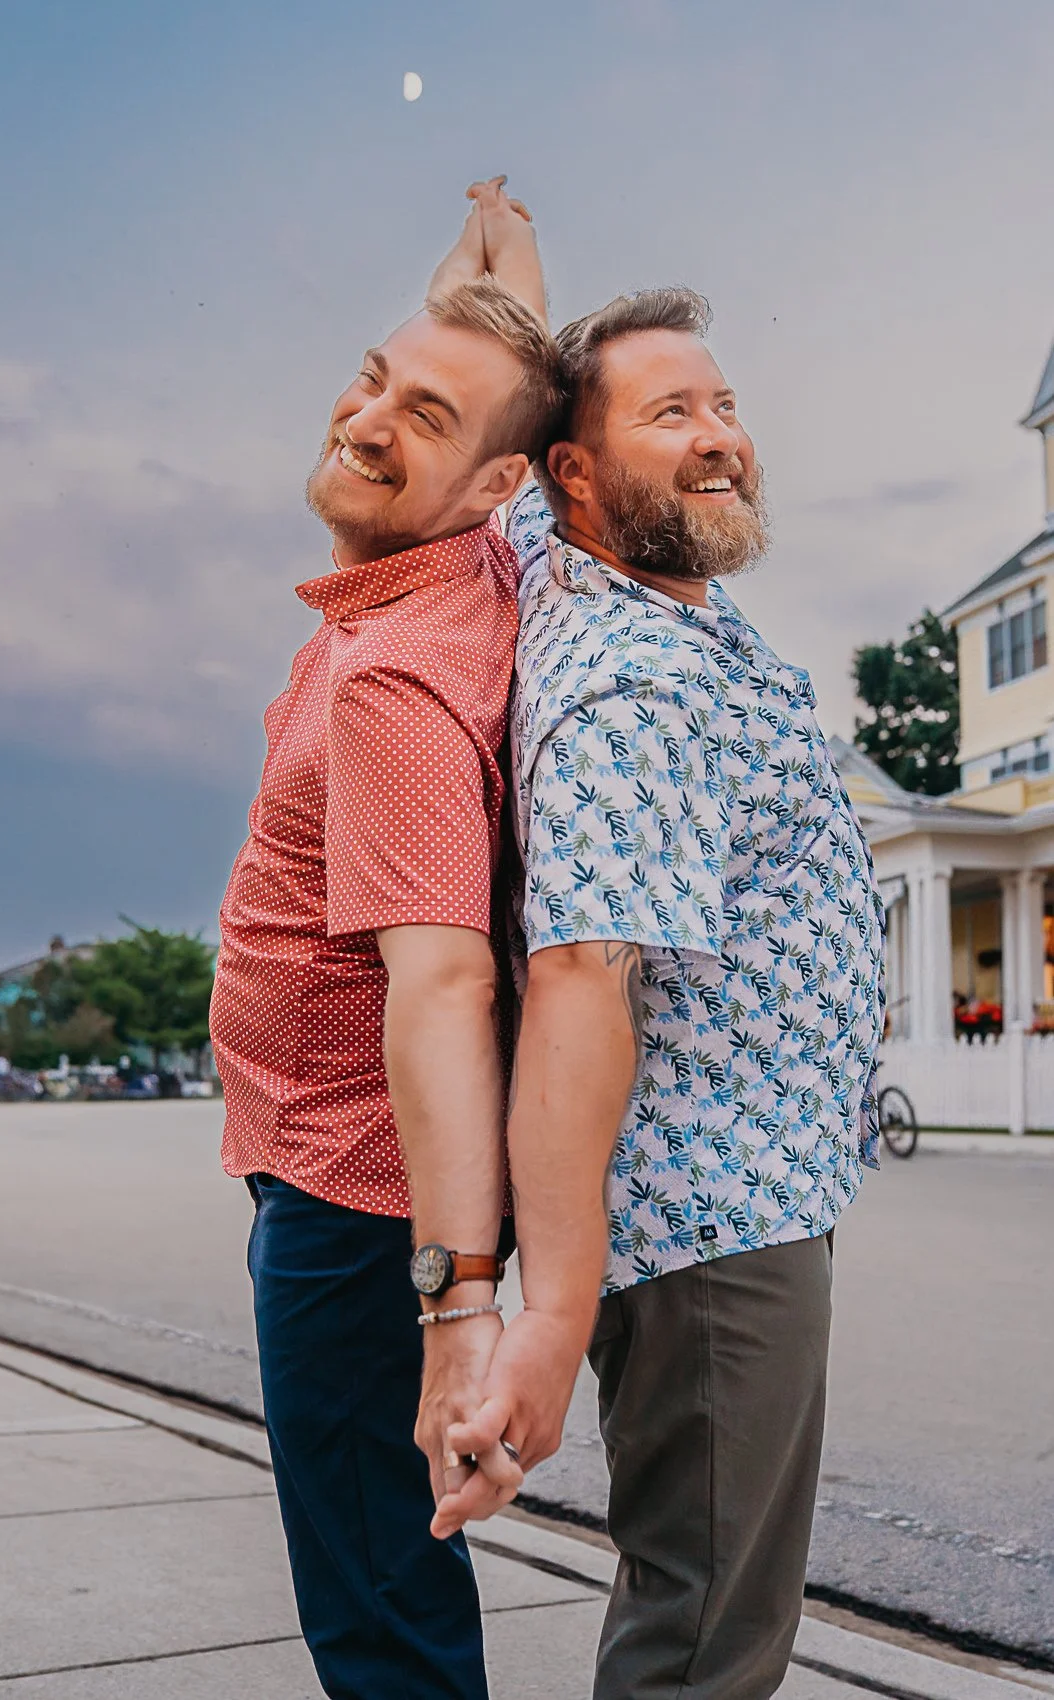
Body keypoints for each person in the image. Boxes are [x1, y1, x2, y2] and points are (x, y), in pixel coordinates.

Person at [434, 194, 886, 1700]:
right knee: (704, 1643)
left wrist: (494, 243)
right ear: (574, 470)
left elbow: (514, 376)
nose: (719, 438)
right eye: (671, 415)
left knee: (699, 1616)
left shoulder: (570, 561)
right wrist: (549, 1317)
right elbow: (580, 980)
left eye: (725, 405)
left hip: (750, 1191)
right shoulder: (636, 682)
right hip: (715, 1226)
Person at [209, 194, 563, 1700]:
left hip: (354, 1201)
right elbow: (502, 409)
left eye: (423, 417)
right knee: (383, 1580)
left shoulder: (396, 680)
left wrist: (454, 1305)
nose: (365, 420)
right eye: (371, 376)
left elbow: (441, 987)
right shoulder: (479, 562)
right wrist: (492, 286)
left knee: (375, 1605)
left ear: (493, 481)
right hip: (343, 1181)